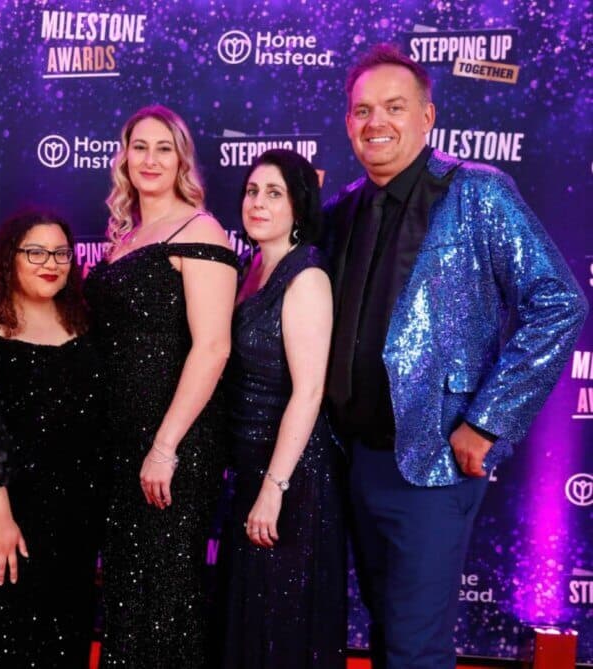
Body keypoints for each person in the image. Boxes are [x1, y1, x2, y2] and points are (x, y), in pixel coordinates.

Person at [324, 44, 588, 668]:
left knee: (416, 649)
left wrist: (487, 421)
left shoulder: (479, 194)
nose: (376, 123)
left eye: (394, 107)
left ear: (427, 117)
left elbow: (559, 302)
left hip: (433, 465)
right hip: (351, 461)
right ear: (348, 122)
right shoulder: (343, 209)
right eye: (362, 110)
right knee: (387, 635)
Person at [84, 104, 238, 667]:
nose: (150, 159)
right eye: (139, 147)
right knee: (129, 593)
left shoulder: (200, 230)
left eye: (163, 148)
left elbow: (214, 346)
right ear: (123, 158)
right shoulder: (125, 235)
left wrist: (165, 446)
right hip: (122, 440)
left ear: (181, 162)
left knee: (165, 594)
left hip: (173, 442)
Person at [0, 209, 102, 667]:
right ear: (8, 259)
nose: (49, 262)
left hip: (74, 516)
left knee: (64, 634)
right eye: (35, 252)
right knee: (2, 635)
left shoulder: (85, 325)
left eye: (59, 253)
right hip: (7, 514)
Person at [221, 150, 346, 668]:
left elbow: (309, 393)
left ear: (299, 205)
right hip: (250, 465)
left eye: (274, 193)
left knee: (279, 624)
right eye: (253, 191)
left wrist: (275, 489)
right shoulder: (253, 266)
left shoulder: (307, 277)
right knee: (248, 619)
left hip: (293, 477)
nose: (258, 202)